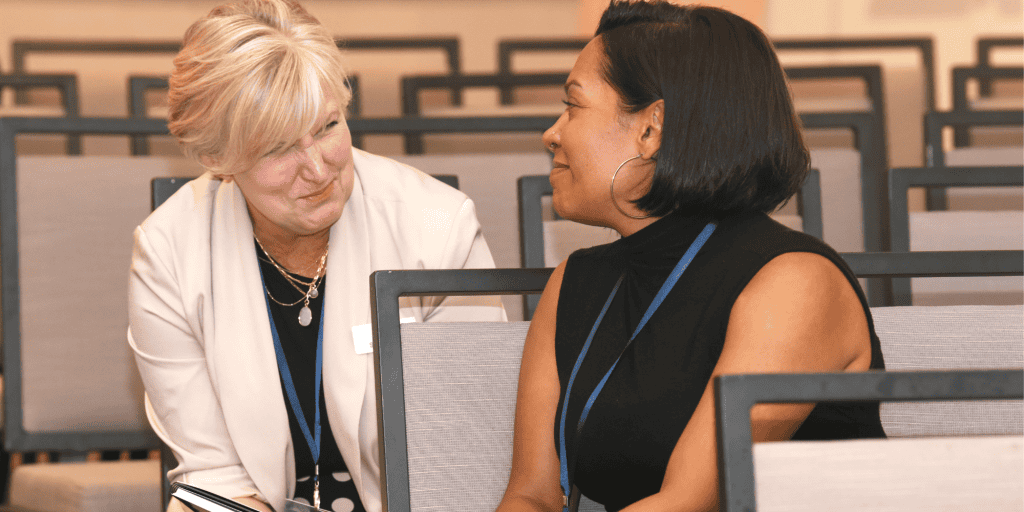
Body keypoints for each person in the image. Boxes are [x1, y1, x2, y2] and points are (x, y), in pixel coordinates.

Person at [497, 2, 885, 511]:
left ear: (650, 129)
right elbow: (532, 495)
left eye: (573, 106)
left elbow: (686, 502)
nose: (552, 133)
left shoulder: (795, 283)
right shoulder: (575, 281)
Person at [127, 1, 503, 511]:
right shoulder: (169, 253)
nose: (319, 169)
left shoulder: (438, 228)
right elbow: (217, 479)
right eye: (278, 149)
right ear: (218, 158)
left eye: (327, 127)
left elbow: (467, 449)